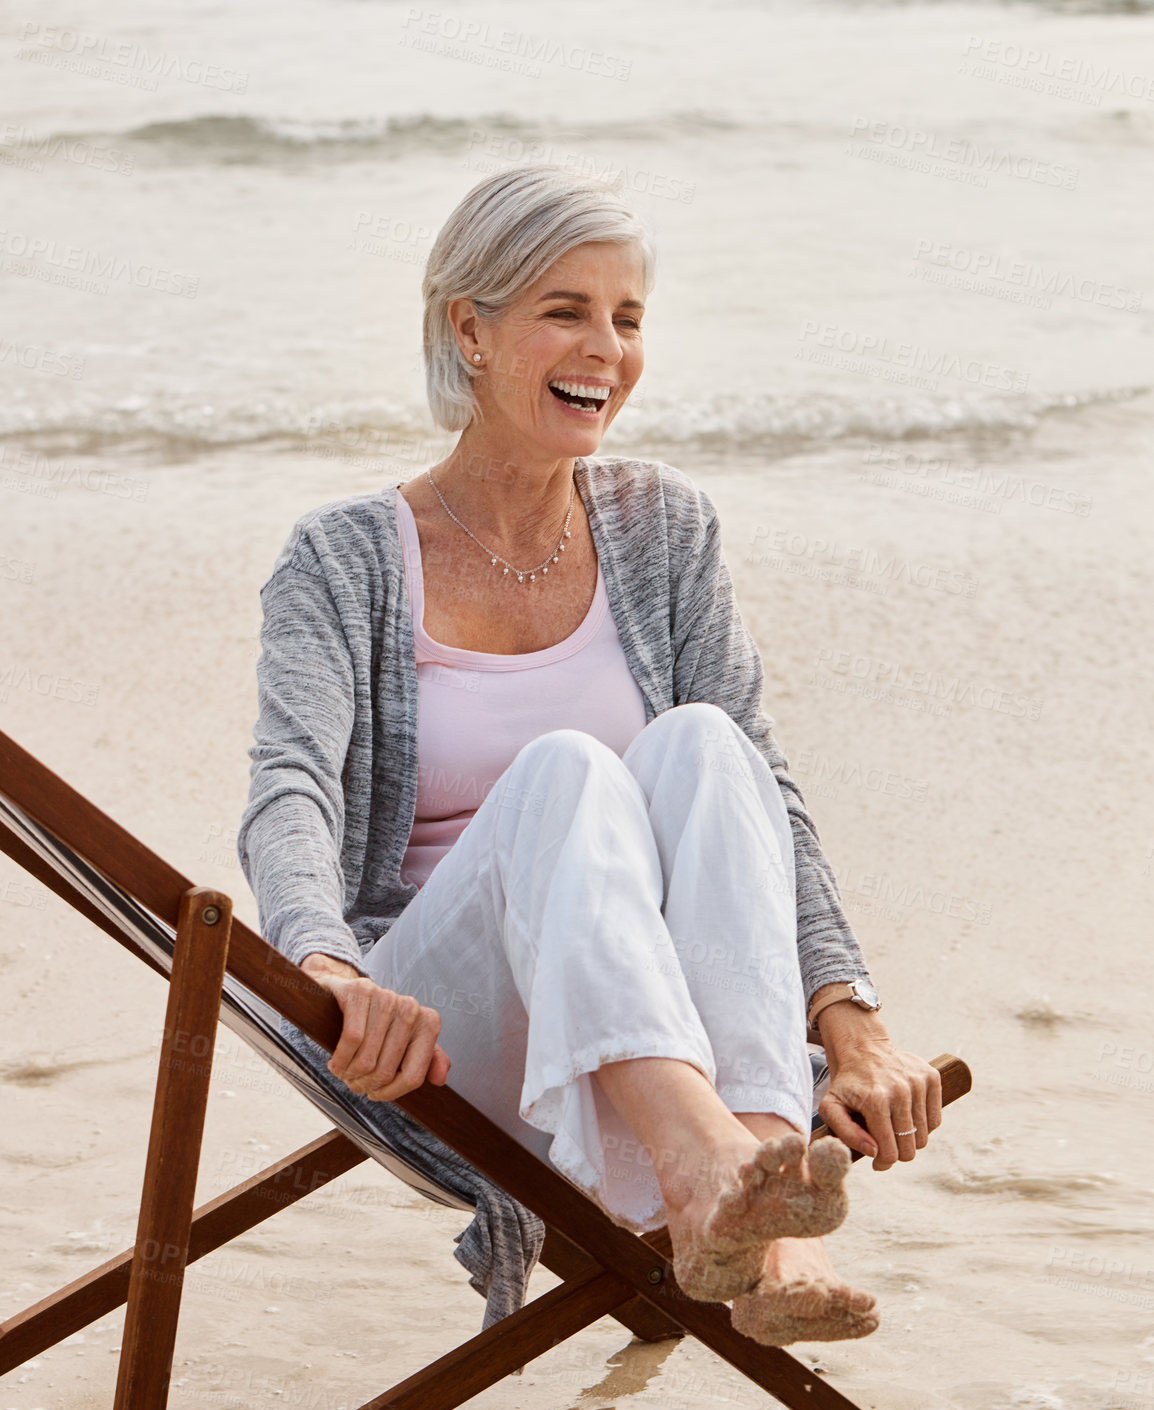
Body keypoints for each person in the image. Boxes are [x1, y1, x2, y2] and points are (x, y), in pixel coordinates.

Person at [238, 166, 942, 1347]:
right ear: (469, 327)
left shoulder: (661, 526)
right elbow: (289, 789)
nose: (606, 348)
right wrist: (325, 966)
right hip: (427, 1030)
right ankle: (706, 1166)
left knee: (710, 744)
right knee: (565, 770)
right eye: (565, 311)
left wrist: (852, 1016)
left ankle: (759, 1202)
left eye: (628, 318)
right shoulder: (343, 558)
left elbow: (759, 795)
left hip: (636, 1010)